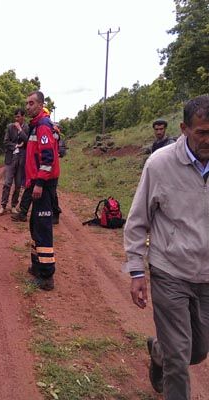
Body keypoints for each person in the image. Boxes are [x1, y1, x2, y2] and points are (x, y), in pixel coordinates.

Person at [124, 95, 209, 399]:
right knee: (179, 361)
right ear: (185, 128)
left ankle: (159, 351)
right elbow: (137, 220)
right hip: (169, 270)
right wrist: (136, 271)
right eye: (202, 132)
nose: (208, 140)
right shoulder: (160, 165)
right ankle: (168, 355)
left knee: (197, 351)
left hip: (205, 276)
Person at [23, 91, 60, 290]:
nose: (28, 107)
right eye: (27, 103)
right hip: (36, 183)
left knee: (43, 228)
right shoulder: (36, 126)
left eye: (31, 103)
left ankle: (46, 276)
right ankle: (37, 265)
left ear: (40, 104)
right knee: (35, 225)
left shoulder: (43, 126)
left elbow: (47, 160)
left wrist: (38, 184)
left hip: (43, 185)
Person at [0, 108, 28, 215]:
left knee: (18, 184)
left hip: (21, 159)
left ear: (23, 117)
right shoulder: (10, 127)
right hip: (11, 158)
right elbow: (5, 142)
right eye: (15, 117)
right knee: (7, 183)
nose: (16, 119)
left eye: (18, 116)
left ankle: (14, 205)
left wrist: (20, 129)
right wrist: (15, 145)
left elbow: (27, 141)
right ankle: (3, 205)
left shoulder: (27, 127)